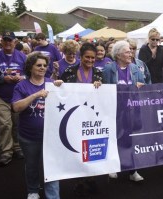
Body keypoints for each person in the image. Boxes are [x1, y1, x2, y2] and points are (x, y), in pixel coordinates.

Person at [11, 52, 62, 199]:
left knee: (51, 166)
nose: (42, 68)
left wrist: (60, 87)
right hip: (29, 137)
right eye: (38, 65)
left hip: (51, 136)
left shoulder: (52, 83)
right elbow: (16, 107)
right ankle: (33, 190)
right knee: (32, 165)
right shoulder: (22, 86)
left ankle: (53, 196)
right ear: (30, 67)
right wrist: (35, 95)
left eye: (45, 66)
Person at [60, 42, 102, 197]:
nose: (90, 60)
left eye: (93, 58)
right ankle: (78, 180)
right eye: (87, 57)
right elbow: (61, 91)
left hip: (91, 117)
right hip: (73, 116)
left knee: (90, 148)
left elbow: (103, 95)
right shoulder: (69, 71)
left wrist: (100, 86)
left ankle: (90, 178)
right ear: (80, 57)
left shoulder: (98, 73)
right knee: (76, 148)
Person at [103, 40, 145, 182]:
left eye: (130, 51)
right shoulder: (109, 69)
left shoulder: (134, 68)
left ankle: (132, 170)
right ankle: (113, 167)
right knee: (114, 139)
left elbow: (143, 85)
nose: (130, 53)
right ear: (119, 55)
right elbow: (105, 89)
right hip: (115, 111)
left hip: (131, 110)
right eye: (127, 52)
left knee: (130, 140)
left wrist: (140, 86)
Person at [0, 32, 26, 166]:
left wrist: (23, 78)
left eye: (10, 40)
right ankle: (6, 151)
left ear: (15, 42)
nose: (8, 43)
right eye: (5, 41)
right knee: (5, 124)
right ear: (1, 42)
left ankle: (17, 147)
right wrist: (3, 79)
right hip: (1, 97)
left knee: (17, 124)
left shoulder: (22, 56)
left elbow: (29, 73)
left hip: (17, 97)